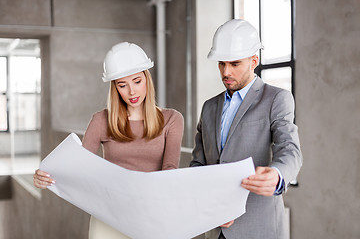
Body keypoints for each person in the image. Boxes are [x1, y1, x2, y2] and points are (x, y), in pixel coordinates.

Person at [33, 42, 184, 239]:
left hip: (152, 214)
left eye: (137, 81)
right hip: (109, 215)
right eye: (123, 85)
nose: (131, 92)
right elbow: (79, 168)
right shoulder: (101, 120)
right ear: (115, 88)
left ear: (147, 78)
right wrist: (46, 177)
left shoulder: (172, 119)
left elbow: (170, 170)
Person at [190, 19, 302, 239]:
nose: (226, 71)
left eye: (234, 64)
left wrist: (277, 174)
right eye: (221, 63)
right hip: (215, 228)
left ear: (254, 61)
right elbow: (199, 165)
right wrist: (207, 204)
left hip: (259, 227)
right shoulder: (209, 107)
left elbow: (290, 149)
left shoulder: (276, 99)